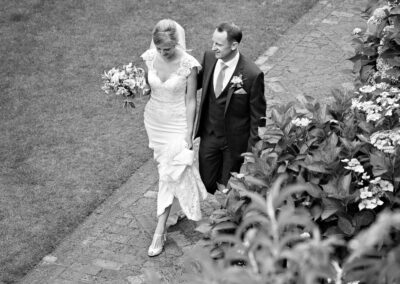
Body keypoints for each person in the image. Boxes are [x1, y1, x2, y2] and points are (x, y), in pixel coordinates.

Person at [141, 19, 207, 257]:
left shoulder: (189, 65)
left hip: (178, 124)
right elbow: (149, 88)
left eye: (167, 49)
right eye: (159, 48)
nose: (162, 52)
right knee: (166, 169)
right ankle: (174, 210)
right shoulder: (150, 57)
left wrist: (189, 134)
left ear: (177, 43)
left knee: (168, 174)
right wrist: (132, 88)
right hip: (155, 122)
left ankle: (159, 232)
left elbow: (191, 100)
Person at [195, 22, 266, 194]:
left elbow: (258, 117)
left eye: (218, 44)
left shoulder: (252, 74)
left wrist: (252, 152)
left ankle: (225, 214)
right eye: (213, 42)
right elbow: (193, 83)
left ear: (234, 45)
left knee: (228, 186)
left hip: (234, 142)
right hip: (209, 134)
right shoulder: (209, 57)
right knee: (207, 182)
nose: (214, 48)